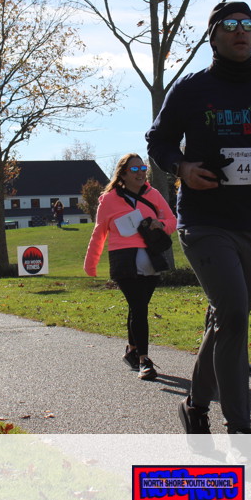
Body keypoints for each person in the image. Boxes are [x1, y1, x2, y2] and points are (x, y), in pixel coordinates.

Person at [146, 1, 251, 438]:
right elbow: (159, 140)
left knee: (226, 319)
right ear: (213, 36)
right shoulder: (191, 89)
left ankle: (194, 406)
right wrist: (182, 167)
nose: (241, 31)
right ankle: (240, 427)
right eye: (230, 25)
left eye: (248, 24)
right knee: (235, 315)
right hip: (203, 220)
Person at [84, 154, 177, 381]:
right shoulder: (109, 199)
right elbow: (99, 233)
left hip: (151, 258)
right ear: (123, 174)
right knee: (139, 308)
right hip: (124, 260)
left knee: (138, 307)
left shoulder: (153, 195)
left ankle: (132, 351)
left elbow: (173, 221)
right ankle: (144, 360)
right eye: (134, 169)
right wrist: (91, 263)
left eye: (143, 168)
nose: (140, 172)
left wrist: (160, 224)